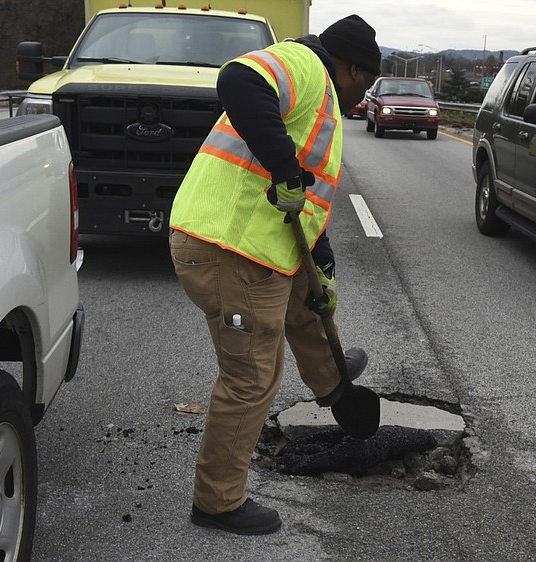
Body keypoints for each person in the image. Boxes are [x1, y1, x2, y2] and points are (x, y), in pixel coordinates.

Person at [168, 14, 381, 536]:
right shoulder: (306, 64)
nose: (363, 98)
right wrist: (285, 169)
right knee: (253, 378)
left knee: (310, 302)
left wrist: (322, 251)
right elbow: (238, 80)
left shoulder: (321, 98)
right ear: (352, 68)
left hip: (261, 245)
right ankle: (217, 502)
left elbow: (306, 186)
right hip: (229, 245)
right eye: (367, 85)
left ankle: (335, 389)